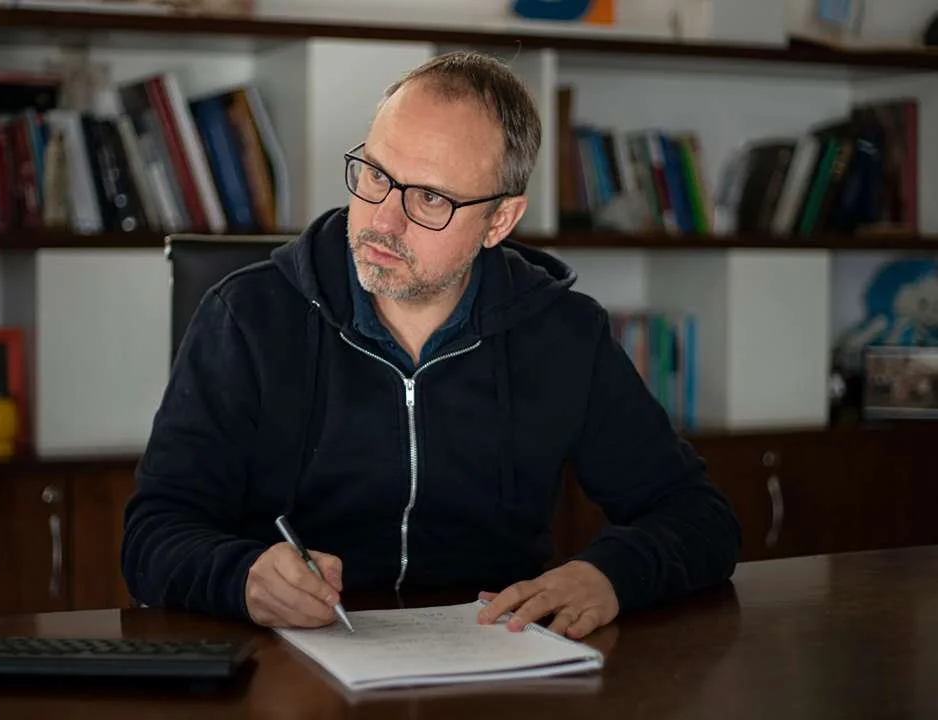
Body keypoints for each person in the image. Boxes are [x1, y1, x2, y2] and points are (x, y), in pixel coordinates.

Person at [122, 50, 741, 640]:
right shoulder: (248, 317)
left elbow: (698, 516)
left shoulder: (562, 333)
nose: (382, 220)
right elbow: (152, 534)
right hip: (287, 662)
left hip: (494, 658)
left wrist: (608, 576)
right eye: (375, 174)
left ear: (500, 220)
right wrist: (242, 578)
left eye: (430, 199)